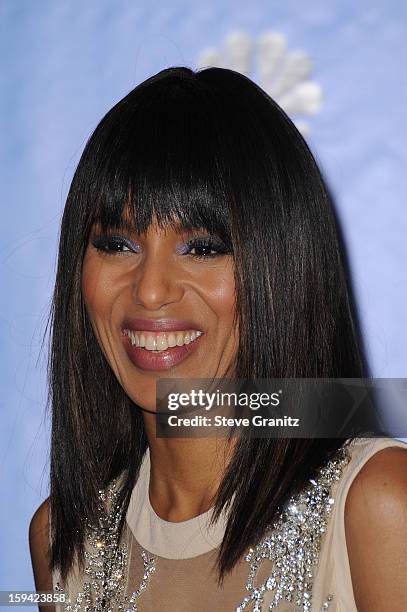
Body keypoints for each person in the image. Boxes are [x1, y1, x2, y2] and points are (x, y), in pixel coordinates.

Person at [29, 66, 407, 611]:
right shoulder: (64, 543)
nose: (151, 290)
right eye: (117, 243)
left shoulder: (376, 504)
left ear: (282, 267)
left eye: (202, 247)